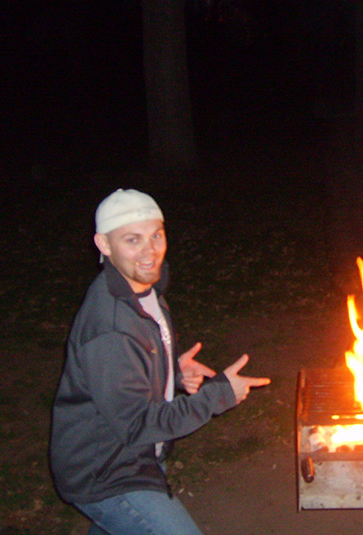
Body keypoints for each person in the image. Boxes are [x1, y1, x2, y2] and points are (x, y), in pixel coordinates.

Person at [50, 189, 271, 535]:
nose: (149, 251)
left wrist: (172, 373)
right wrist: (217, 396)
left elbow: (133, 369)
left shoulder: (142, 290)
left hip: (130, 458)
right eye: (132, 240)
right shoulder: (109, 328)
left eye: (156, 236)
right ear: (104, 245)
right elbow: (137, 424)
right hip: (105, 473)